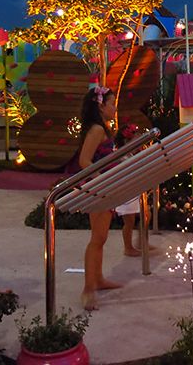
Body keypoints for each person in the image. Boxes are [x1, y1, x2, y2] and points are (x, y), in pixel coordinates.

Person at [79, 86, 121, 311]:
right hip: (98, 189)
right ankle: (88, 288)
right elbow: (84, 161)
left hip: (104, 187)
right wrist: (101, 179)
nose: (115, 107)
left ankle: (98, 279)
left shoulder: (102, 128)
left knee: (101, 237)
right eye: (112, 103)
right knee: (97, 238)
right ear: (100, 106)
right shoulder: (96, 129)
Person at [113, 123, 156, 257]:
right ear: (127, 141)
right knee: (129, 221)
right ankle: (128, 247)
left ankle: (141, 241)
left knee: (146, 214)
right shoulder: (120, 155)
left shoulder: (130, 154)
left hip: (134, 190)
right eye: (135, 141)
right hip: (125, 192)